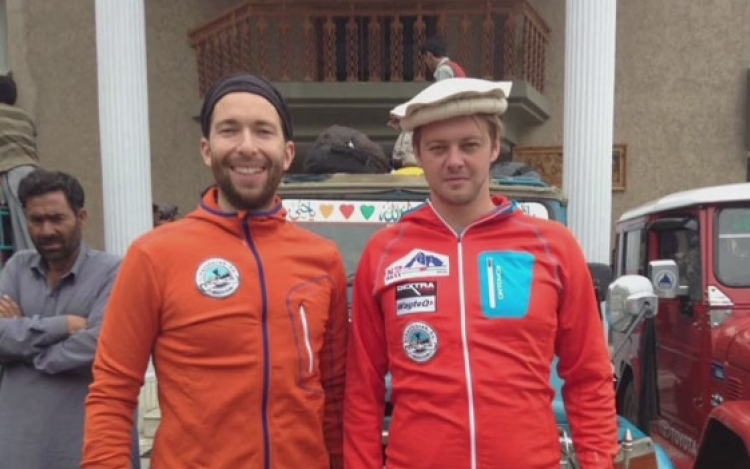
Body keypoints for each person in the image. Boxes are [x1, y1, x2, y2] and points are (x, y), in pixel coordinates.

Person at [344, 78, 618, 469]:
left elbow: (588, 376)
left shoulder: (553, 247)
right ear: (418, 153)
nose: (454, 160)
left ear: (494, 147)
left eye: (469, 145)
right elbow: (362, 389)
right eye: (438, 147)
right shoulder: (385, 252)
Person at [83, 73, 349, 469]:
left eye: (263, 131)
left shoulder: (322, 259)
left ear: (287, 153)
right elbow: (113, 392)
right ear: (206, 150)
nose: (247, 146)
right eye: (229, 130)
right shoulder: (154, 255)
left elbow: (335, 393)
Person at [0, 169, 127, 469]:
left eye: (57, 218)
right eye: (36, 220)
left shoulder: (114, 271)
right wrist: (61, 325)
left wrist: (26, 351)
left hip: (83, 443)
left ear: (81, 217)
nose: (46, 230)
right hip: (18, 445)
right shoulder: (17, 267)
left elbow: (102, 345)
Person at [0, 73, 40, 251]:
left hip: (12, 171)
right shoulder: (24, 117)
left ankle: (30, 264)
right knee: (32, 218)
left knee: (22, 230)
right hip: (33, 171)